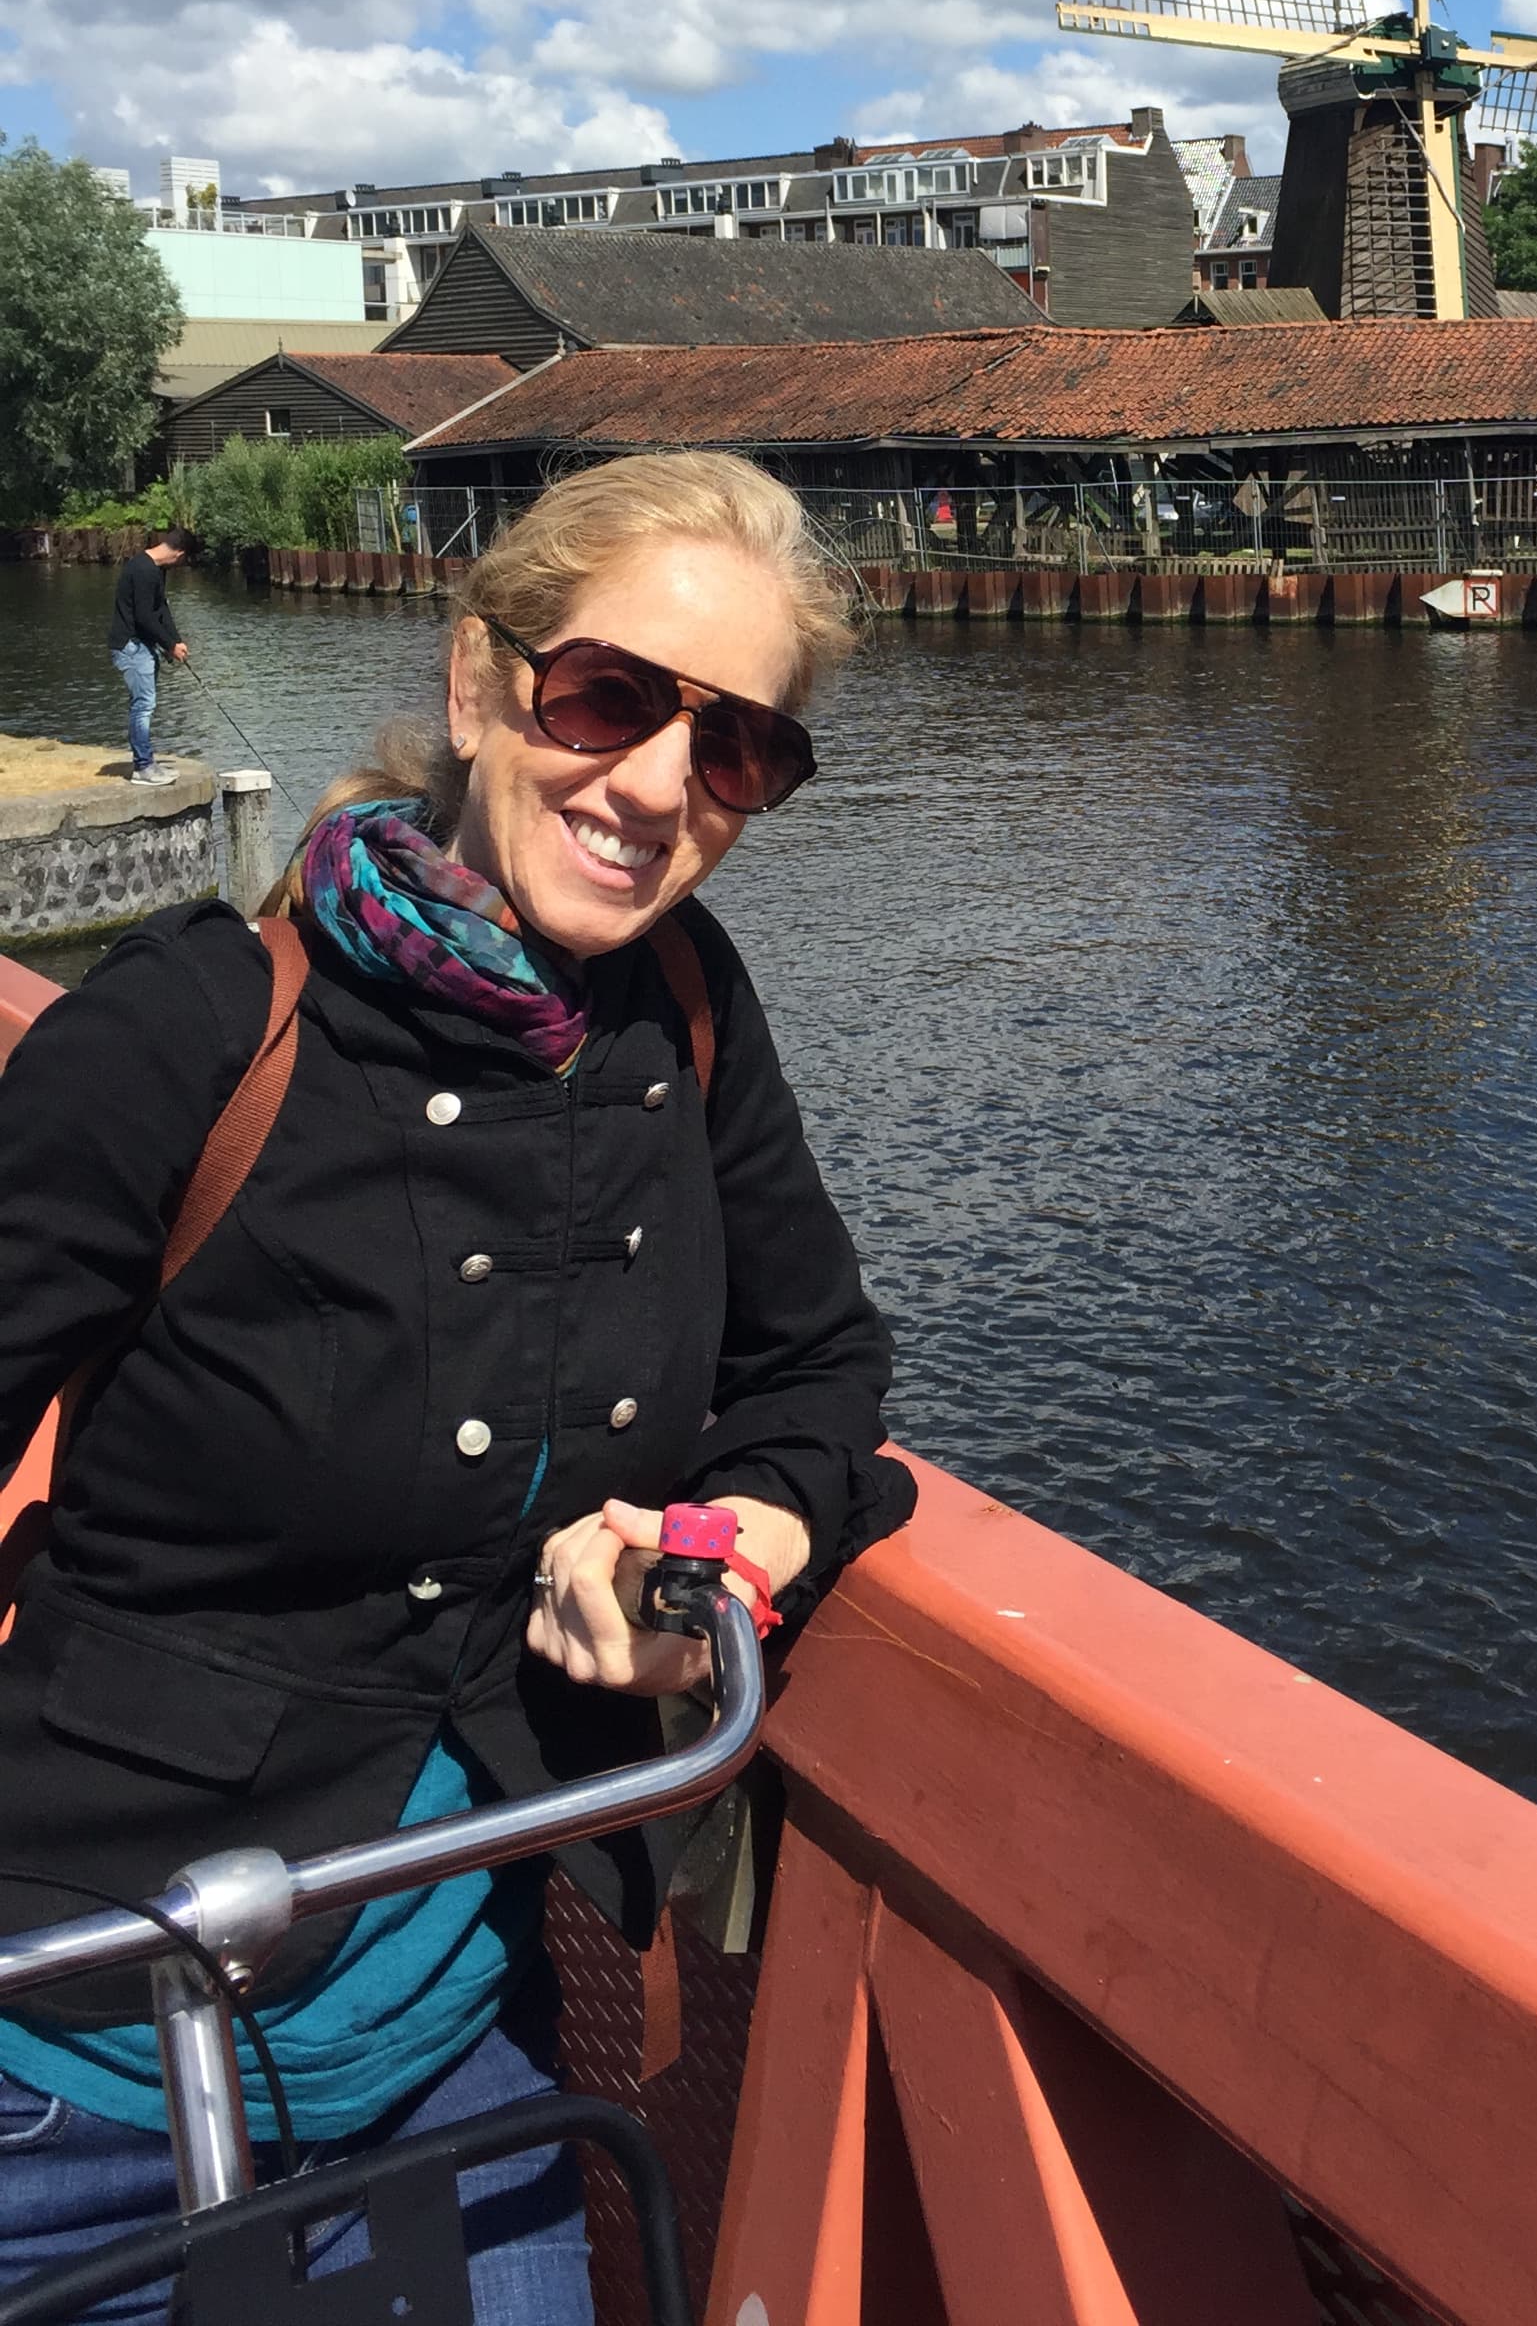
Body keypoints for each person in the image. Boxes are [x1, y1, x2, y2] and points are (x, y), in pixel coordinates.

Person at [0, 452, 915, 2323]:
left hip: (452, 2045)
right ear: (481, 679)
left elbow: (818, 1357)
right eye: (610, 697)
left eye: (735, 747)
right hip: (68, 2045)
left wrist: (715, 1554)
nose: (657, 783)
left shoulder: (684, 1010)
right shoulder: (189, 1030)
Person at [105, 531, 192, 777]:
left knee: (144, 704)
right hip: (130, 646)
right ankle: (143, 766)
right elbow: (144, 616)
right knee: (143, 705)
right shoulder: (143, 570)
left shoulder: (155, 569)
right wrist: (168, 645)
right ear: (180, 554)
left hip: (143, 645)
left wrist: (175, 641)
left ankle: (146, 762)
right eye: (183, 561)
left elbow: (160, 608)